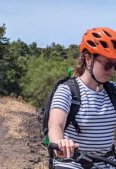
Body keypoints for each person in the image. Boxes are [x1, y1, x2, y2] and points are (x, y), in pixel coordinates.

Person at [48, 27, 116, 168]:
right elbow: (55, 124)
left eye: (115, 65)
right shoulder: (68, 90)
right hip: (73, 162)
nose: (112, 71)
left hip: (106, 162)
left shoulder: (113, 91)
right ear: (88, 59)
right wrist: (61, 142)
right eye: (108, 65)